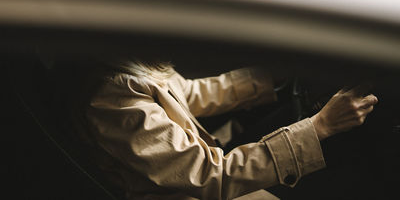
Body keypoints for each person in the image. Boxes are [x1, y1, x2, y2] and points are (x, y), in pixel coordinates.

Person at [73, 59, 378, 200]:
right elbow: (208, 175)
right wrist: (320, 126)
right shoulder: (113, 96)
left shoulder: (134, 64)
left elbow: (189, 95)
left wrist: (275, 74)